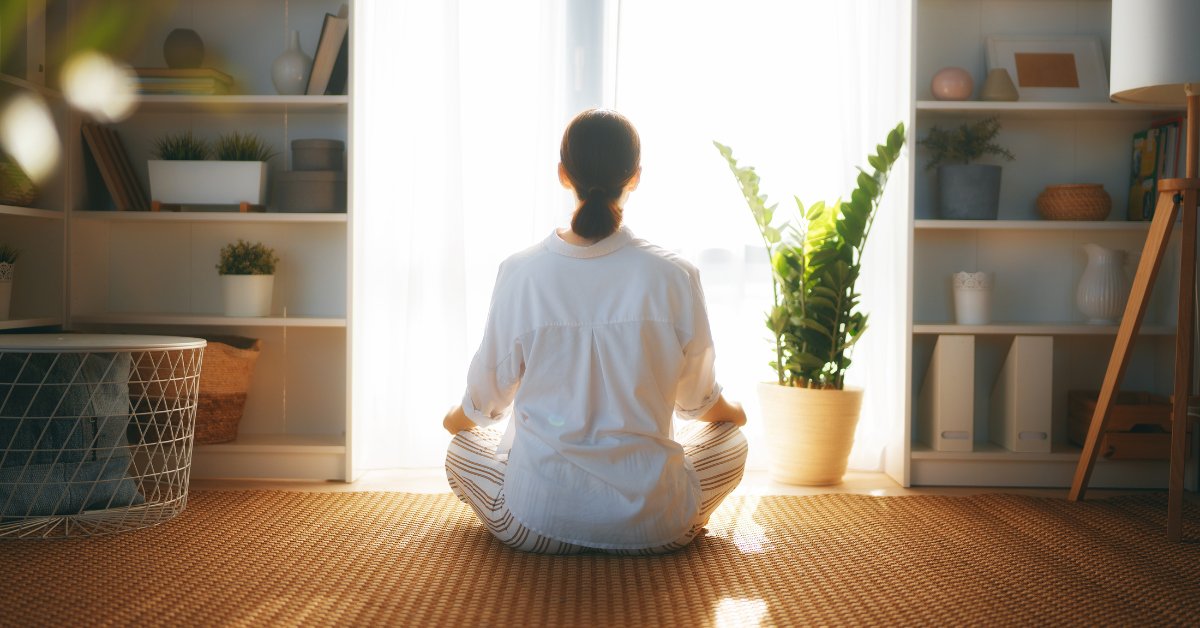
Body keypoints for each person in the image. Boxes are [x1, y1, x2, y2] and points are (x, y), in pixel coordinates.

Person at [442, 108, 748, 555]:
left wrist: (455, 422)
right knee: (733, 441)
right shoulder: (676, 275)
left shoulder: (521, 272)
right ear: (636, 177)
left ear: (563, 175)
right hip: (657, 531)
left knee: (461, 450)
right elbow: (697, 402)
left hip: (534, 525)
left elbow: (485, 402)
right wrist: (733, 412)